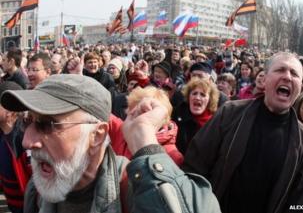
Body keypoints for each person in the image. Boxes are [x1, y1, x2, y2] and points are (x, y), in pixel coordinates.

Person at [1, 74, 221, 213]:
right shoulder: (37, 190)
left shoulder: (136, 189)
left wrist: (145, 143)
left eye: (48, 124)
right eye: (28, 121)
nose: (28, 141)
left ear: (97, 136)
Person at [183, 52, 303, 213]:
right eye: (280, 70)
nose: (287, 77)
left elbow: (300, 198)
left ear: (300, 87)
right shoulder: (230, 113)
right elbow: (195, 166)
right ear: (264, 80)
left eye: (294, 73)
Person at [0, 82, 31, 213]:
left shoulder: (24, 141)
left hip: (27, 206)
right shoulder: (2, 134)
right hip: (12, 204)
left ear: (10, 111)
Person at [172, 78, 219, 154]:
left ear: (210, 100)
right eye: (194, 93)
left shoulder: (216, 122)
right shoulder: (177, 114)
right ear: (188, 96)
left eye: (202, 95)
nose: (197, 97)